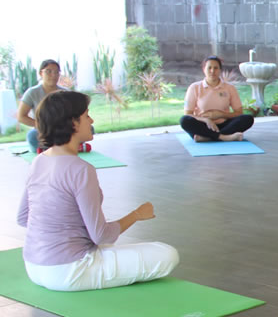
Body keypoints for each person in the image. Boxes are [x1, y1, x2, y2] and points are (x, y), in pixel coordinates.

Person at [16, 91, 179, 291]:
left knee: (109, 249)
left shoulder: (39, 161)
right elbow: (102, 236)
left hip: (33, 267)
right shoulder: (81, 169)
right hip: (70, 271)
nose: (91, 120)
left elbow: (23, 218)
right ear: (73, 123)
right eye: (86, 116)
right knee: (167, 254)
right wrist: (136, 215)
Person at [180, 56, 254, 142]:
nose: (212, 71)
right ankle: (224, 137)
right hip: (203, 126)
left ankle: (208, 137)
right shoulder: (194, 87)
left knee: (248, 119)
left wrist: (221, 114)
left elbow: (239, 112)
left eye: (216, 68)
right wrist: (206, 120)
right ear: (204, 69)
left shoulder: (229, 88)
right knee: (184, 120)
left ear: (220, 70)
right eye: (209, 68)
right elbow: (188, 114)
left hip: (225, 124)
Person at [17, 59, 68, 153]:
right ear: (41, 73)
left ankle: (53, 148)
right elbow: (21, 116)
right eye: (49, 71)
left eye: (56, 72)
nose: (53, 75)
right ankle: (59, 148)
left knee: (88, 129)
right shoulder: (32, 92)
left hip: (63, 131)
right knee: (32, 136)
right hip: (43, 132)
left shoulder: (66, 93)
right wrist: (41, 126)